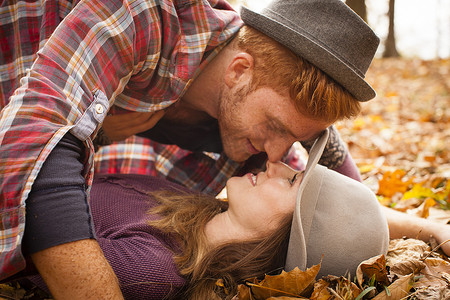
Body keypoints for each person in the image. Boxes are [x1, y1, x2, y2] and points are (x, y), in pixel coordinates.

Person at [0, 0, 448, 297]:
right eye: (276, 127)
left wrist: (433, 231)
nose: (279, 156)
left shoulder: (264, 136)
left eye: (297, 141)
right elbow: (39, 145)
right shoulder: (149, 14)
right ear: (239, 70)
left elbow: (339, 205)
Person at [23, 129, 389, 299]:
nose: (278, 164)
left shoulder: (153, 271)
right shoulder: (188, 204)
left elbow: (32, 238)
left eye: (293, 181)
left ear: (292, 236)